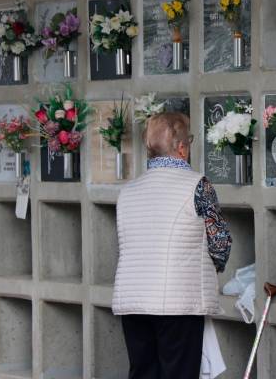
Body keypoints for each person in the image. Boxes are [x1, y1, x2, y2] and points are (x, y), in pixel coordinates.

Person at [112, 112, 231, 379]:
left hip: (133, 301)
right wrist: (214, 268)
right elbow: (221, 243)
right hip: (180, 303)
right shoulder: (198, 186)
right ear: (181, 147)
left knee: (142, 373)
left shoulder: (127, 191)